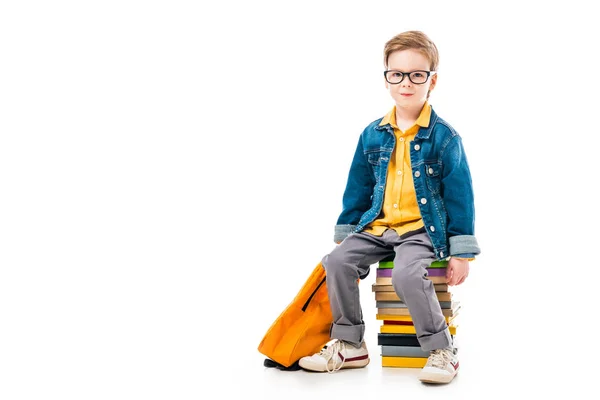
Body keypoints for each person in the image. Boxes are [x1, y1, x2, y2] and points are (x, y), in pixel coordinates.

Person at [298, 30, 480, 384]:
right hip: (378, 227)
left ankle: (442, 349)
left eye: (417, 75)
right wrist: (347, 231)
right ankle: (351, 343)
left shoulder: (445, 138)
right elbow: (358, 187)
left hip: (421, 231)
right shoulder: (372, 134)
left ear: (432, 81)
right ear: (386, 78)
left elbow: (460, 197)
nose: (406, 83)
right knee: (336, 262)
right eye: (396, 74)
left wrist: (461, 253)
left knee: (406, 274)